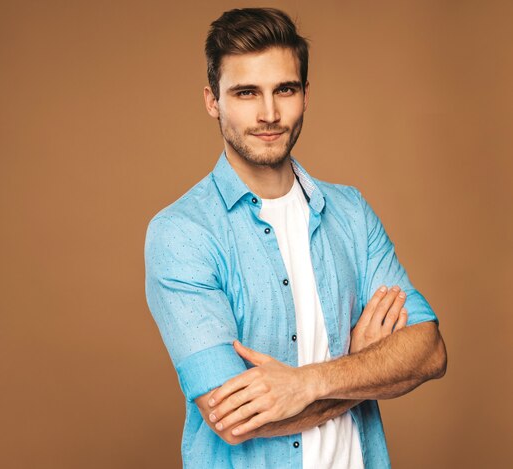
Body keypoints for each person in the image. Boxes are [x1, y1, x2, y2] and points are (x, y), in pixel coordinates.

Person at [144, 7, 446, 469]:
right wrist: (363, 368)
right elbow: (232, 417)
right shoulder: (182, 234)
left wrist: (308, 383)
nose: (269, 114)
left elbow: (428, 350)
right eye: (246, 93)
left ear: (305, 94)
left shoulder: (352, 213)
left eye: (284, 89)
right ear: (212, 100)